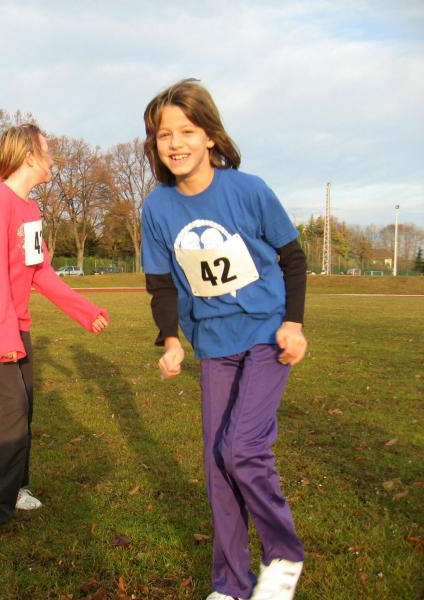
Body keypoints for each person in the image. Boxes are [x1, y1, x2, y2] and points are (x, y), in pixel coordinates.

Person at [140, 79, 308, 600]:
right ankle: (232, 583)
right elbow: (161, 284)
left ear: (210, 136)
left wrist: (294, 324)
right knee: (218, 462)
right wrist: (171, 340)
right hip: (213, 344)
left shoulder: (249, 190)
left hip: (264, 334)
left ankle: (283, 554)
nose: (175, 143)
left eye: (187, 131)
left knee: (243, 448)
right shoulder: (157, 208)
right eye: (164, 134)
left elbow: (293, 259)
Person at [0, 123, 109, 545]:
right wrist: (6, 340)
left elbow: (40, 271)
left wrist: (85, 311)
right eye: (47, 150)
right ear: (29, 156)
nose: (52, 158)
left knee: (26, 405)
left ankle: (15, 488)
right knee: (12, 408)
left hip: (14, 322)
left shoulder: (31, 209)